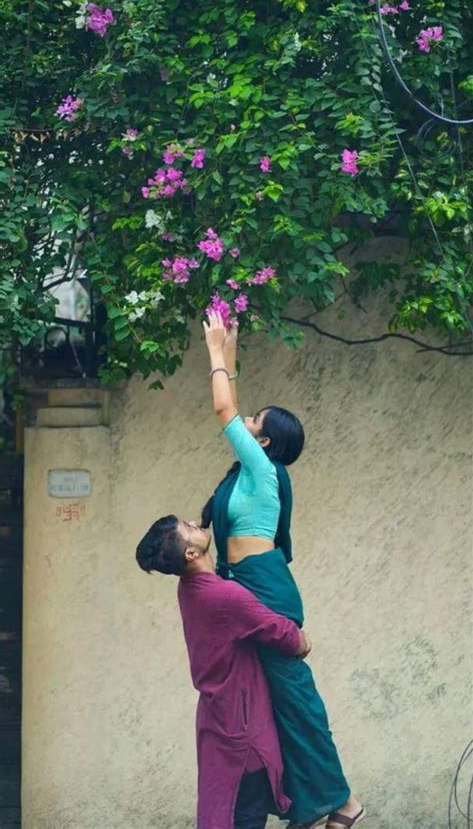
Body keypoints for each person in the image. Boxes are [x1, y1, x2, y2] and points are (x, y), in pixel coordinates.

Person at [201, 313, 365, 829]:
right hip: (253, 590)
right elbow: (237, 403)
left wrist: (211, 352)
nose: (246, 423)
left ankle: (342, 801)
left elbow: (224, 405)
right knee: (267, 705)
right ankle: (299, 803)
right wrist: (232, 344)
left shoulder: (261, 469)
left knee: (297, 702)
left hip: (265, 594)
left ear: (265, 443)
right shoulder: (258, 469)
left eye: (255, 426)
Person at [135, 514, 313, 829]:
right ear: (191, 554)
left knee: (229, 814)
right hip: (242, 732)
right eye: (188, 528)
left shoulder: (190, 588)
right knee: (246, 818)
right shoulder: (224, 597)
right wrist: (302, 641)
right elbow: (286, 636)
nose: (194, 522)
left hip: (219, 721)